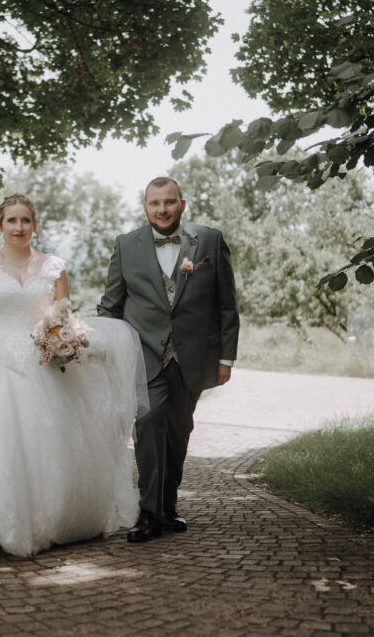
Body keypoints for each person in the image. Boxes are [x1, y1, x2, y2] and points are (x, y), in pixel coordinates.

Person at [0, 194, 147, 557]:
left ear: (35, 225)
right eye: (12, 221)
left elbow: (61, 316)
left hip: (43, 364)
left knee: (49, 440)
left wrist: (62, 342)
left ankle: (49, 519)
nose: (19, 227)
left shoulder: (54, 267)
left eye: (25, 220)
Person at [98, 176, 239, 543]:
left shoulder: (209, 239)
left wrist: (226, 358)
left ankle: (168, 507)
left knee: (179, 432)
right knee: (148, 422)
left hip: (193, 355)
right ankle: (148, 513)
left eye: (169, 202)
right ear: (145, 206)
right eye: (154, 203)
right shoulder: (126, 245)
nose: (162, 209)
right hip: (144, 354)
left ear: (182, 203)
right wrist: (104, 352)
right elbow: (111, 306)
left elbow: (227, 305)